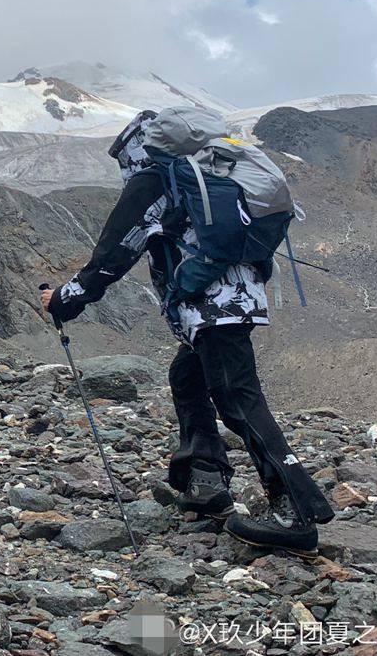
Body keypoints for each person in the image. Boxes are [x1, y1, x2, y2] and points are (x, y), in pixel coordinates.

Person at [40, 110, 334, 557]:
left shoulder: (155, 182)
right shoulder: (208, 175)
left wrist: (65, 299)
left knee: (237, 398)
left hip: (208, 308)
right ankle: (206, 482)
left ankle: (297, 512)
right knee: (188, 377)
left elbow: (112, 255)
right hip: (237, 300)